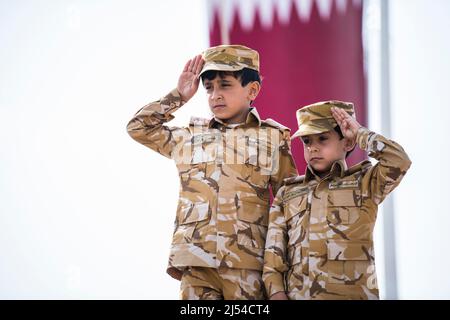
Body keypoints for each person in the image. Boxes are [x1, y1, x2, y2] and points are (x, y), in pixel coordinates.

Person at [126, 44, 298, 299]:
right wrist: (179, 96)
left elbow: (289, 209)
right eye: (209, 88)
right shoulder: (190, 137)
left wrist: (279, 279)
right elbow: (139, 128)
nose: (215, 95)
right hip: (196, 264)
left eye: (225, 85)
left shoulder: (273, 139)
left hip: (248, 265)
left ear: (252, 90)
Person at [263, 101, 411, 299]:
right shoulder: (287, 193)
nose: (313, 148)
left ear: (347, 142)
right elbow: (273, 258)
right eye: (307, 141)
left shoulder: (365, 183)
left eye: (322, 139)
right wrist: (277, 294)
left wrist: (360, 133)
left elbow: (399, 161)